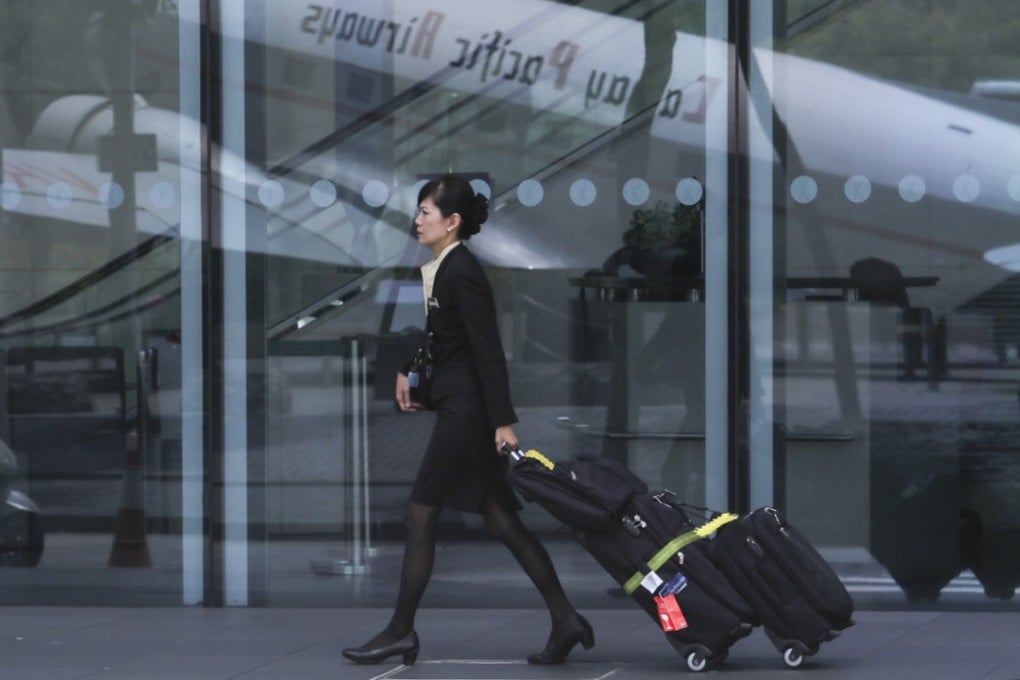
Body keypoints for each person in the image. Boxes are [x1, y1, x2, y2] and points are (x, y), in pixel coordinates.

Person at [342, 174, 593, 666]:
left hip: (467, 415)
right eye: (418, 211)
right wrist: (409, 368)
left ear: (452, 221)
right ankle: (566, 619)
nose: (417, 220)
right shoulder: (445, 267)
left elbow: (487, 349)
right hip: (463, 408)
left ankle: (400, 632)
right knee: (499, 518)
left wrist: (502, 421)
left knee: (420, 514)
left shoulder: (463, 272)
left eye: (426, 213)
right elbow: (442, 335)